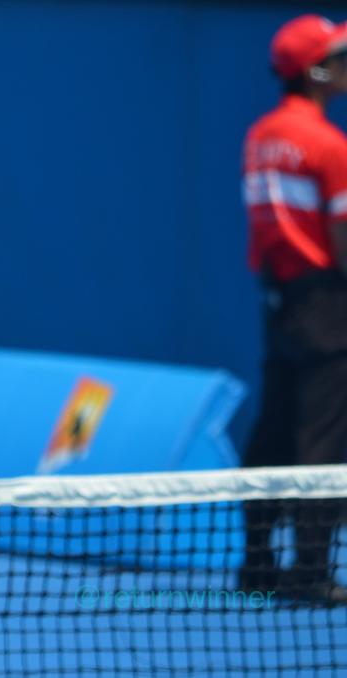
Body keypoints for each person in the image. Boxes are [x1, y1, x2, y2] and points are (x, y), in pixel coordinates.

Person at [240, 15, 347, 604]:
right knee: (322, 440)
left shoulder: (259, 135)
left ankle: (257, 563)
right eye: (339, 54)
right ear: (316, 71)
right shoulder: (330, 146)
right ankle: (310, 572)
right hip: (328, 303)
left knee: (274, 430)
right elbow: (342, 238)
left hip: (277, 300)